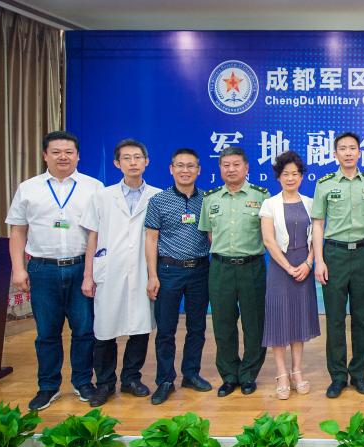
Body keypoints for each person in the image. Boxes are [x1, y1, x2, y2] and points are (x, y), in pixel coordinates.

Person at [7, 131, 104, 411]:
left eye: (69, 152)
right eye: (56, 152)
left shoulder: (93, 187)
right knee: (47, 333)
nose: (63, 157)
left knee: (84, 330)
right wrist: (18, 269)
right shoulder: (28, 188)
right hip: (43, 269)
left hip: (81, 267)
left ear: (78, 156)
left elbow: (98, 233)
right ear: (45, 155)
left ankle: (83, 382)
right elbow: (18, 231)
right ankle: (48, 387)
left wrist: (91, 273)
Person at [80, 139, 161, 407]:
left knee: (140, 326)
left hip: (142, 269)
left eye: (138, 157)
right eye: (127, 158)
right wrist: (88, 275)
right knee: (105, 329)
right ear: (117, 163)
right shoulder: (102, 197)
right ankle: (104, 383)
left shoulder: (158, 196)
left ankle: (131, 379)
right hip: (109, 269)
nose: (133, 162)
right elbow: (92, 237)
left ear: (147, 161)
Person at [198, 146, 270, 397]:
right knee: (223, 323)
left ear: (246, 167)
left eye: (236, 164)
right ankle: (229, 375)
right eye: (226, 165)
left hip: (252, 267)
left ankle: (248, 374)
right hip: (220, 269)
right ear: (220, 168)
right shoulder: (211, 199)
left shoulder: (262, 196)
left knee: (254, 324)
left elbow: (268, 233)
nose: (231, 169)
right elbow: (210, 234)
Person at [312, 132, 364, 399]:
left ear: (360, 153)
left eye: (352, 148)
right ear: (335, 153)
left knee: (362, 318)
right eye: (343, 148)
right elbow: (318, 223)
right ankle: (338, 376)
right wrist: (319, 260)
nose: (348, 153)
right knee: (335, 319)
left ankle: (359, 373)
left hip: (363, 254)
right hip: (334, 255)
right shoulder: (325, 184)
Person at [143, 148, 213, 405]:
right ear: (171, 169)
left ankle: (191, 374)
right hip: (168, 270)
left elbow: (212, 236)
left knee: (197, 327)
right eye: (180, 166)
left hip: (200, 270)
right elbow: (151, 239)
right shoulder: (158, 201)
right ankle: (165, 380)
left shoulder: (207, 199)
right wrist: (152, 275)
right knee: (166, 329)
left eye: (190, 166)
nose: (185, 170)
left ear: (199, 170)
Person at [259, 151, 319, 400]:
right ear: (278, 177)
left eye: (295, 174)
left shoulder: (311, 203)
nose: (291, 178)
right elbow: (268, 240)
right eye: (286, 174)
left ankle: (297, 371)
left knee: (298, 318)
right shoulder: (269, 204)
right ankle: (281, 374)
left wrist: (308, 263)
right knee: (279, 318)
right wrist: (288, 267)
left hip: (304, 266)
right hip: (279, 268)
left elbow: (317, 238)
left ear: (301, 176)